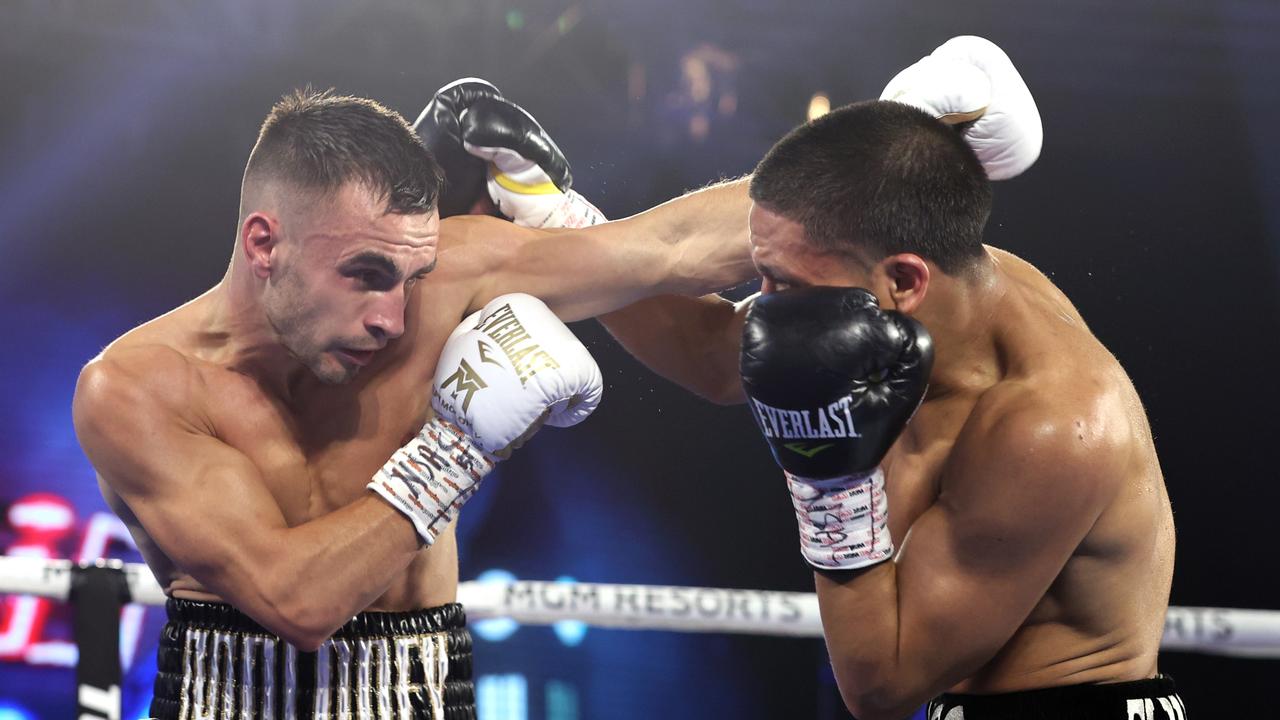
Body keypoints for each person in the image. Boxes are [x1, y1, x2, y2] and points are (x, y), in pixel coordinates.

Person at [71, 86, 755, 719]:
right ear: (264, 243)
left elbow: (676, 245)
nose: (394, 318)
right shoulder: (137, 388)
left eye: (412, 277)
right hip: (227, 694)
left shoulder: (446, 279)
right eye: (366, 276)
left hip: (421, 689)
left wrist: (857, 165)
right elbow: (296, 601)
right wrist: (454, 451)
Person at [601, 37, 1184, 719]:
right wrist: (558, 221)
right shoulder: (940, 289)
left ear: (904, 281)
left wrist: (829, 477)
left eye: (782, 283)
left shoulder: (1053, 424)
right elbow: (713, 354)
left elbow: (881, 685)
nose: (763, 307)